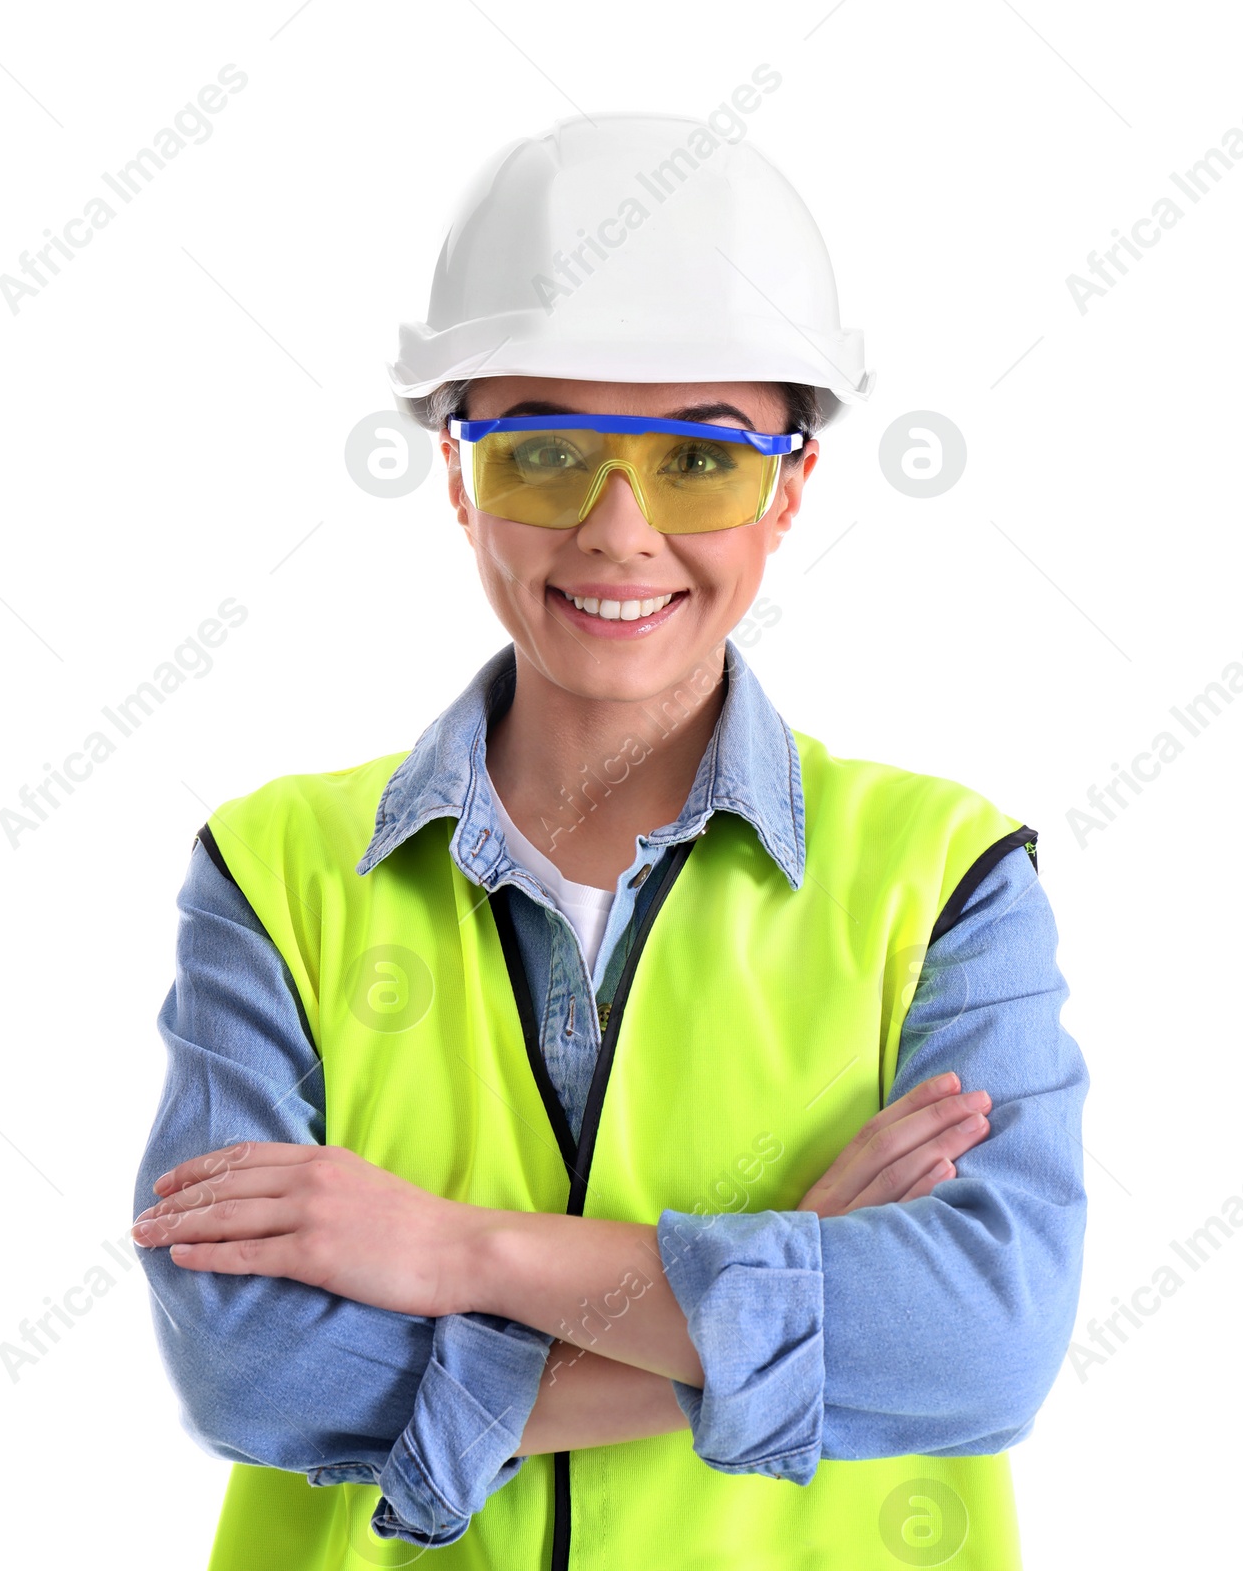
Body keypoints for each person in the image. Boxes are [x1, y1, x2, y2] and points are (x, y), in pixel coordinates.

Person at [131, 114, 1088, 1570]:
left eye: (699, 460)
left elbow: (981, 1343)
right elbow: (253, 1371)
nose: (619, 530)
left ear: (791, 486)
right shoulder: (278, 874)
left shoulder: (942, 876)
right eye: (547, 453)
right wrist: (777, 1295)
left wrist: (456, 1250)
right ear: (459, 477)